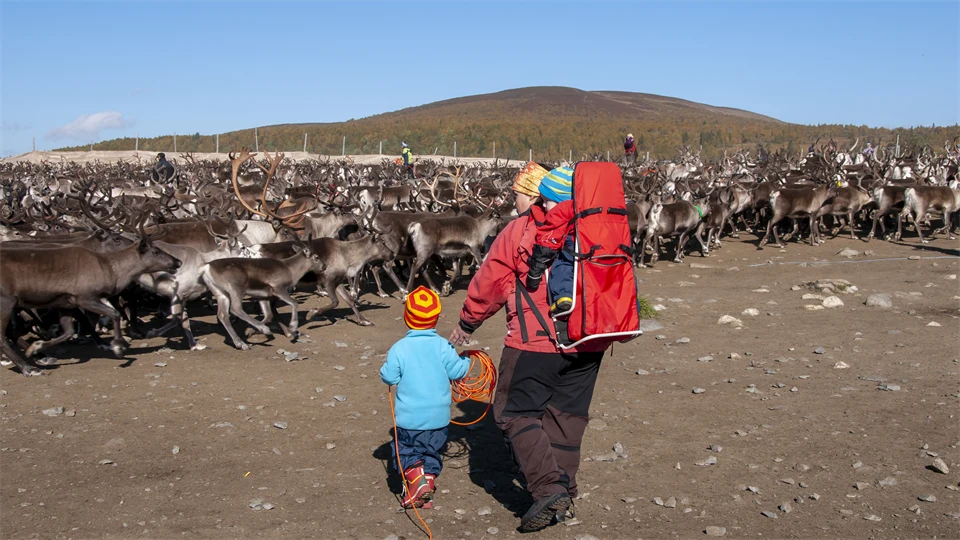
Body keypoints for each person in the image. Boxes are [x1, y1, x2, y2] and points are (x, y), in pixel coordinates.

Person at [449, 161, 610, 533]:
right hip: (589, 340)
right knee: (566, 416)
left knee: (512, 412)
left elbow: (490, 280)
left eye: (521, 194)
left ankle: (548, 490)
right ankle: (565, 489)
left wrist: (467, 322)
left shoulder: (523, 228)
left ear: (542, 196)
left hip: (535, 340)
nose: (517, 200)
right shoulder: (597, 227)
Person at [380, 285, 471, 509]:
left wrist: (386, 371)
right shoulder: (443, 346)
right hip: (438, 419)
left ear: (406, 317)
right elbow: (457, 372)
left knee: (406, 451)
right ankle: (425, 487)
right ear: (437, 318)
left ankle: (416, 480)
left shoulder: (400, 348)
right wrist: (466, 360)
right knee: (431, 451)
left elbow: (389, 377)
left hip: (409, 419)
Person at [524, 166, 575, 317]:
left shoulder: (562, 211)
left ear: (561, 200)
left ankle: (563, 297)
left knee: (561, 265)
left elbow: (548, 243)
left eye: (547, 201)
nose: (543, 205)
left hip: (571, 246)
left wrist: (534, 273)